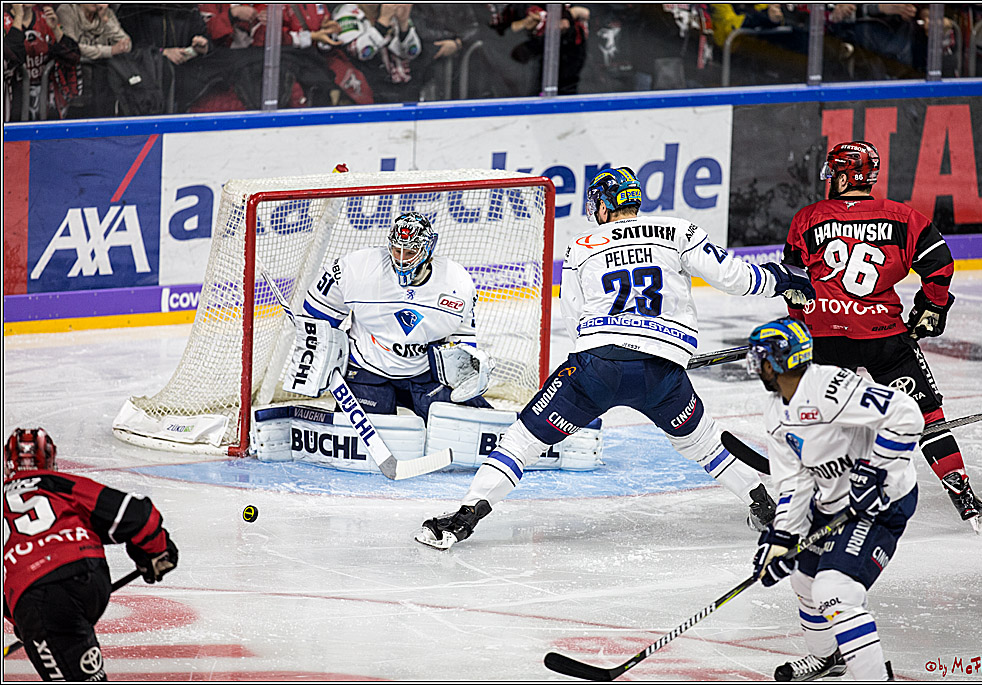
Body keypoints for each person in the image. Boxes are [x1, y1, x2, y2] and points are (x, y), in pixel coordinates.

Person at [414, 167, 817, 550]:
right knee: (704, 443)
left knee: (522, 440)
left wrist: (600, 364)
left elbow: (575, 316)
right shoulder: (679, 230)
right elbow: (735, 279)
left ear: (605, 204)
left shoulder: (581, 247)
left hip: (595, 366)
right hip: (662, 372)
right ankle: (764, 505)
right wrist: (782, 281)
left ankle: (465, 517)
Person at [782, 140, 982, 532]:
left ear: (843, 175)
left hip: (827, 341)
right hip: (885, 340)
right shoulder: (902, 216)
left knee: (816, 419)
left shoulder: (806, 219)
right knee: (927, 416)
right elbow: (939, 263)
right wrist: (932, 307)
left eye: (833, 171)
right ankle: (963, 495)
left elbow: (793, 283)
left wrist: (799, 324)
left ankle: (811, 500)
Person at [746, 317, 917, 681]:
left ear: (780, 360)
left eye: (760, 357)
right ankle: (827, 658)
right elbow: (793, 481)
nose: (754, 364)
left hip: (882, 502)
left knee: (834, 590)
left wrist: (875, 469)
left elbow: (904, 413)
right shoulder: (776, 412)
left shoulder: (830, 387)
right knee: (804, 579)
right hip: (836, 503)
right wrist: (781, 538)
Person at [2, 428, 178, 682]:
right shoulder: (61, 485)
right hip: (89, 578)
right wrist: (154, 552)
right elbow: (138, 516)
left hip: (38, 597)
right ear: (51, 460)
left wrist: (22, 620)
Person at [293, 212, 492, 422]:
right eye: (398, 250)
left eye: (410, 252)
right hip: (368, 370)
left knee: (469, 426)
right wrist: (318, 354)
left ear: (428, 249)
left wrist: (464, 371)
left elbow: (461, 334)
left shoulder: (456, 282)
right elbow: (318, 310)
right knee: (363, 445)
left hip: (425, 372)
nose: (402, 259)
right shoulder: (358, 268)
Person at [56, 3, 131, 118]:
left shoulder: (106, 13)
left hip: (102, 87)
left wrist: (105, 20)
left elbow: (127, 45)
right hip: (75, 85)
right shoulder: (67, 10)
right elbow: (71, 47)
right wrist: (110, 51)